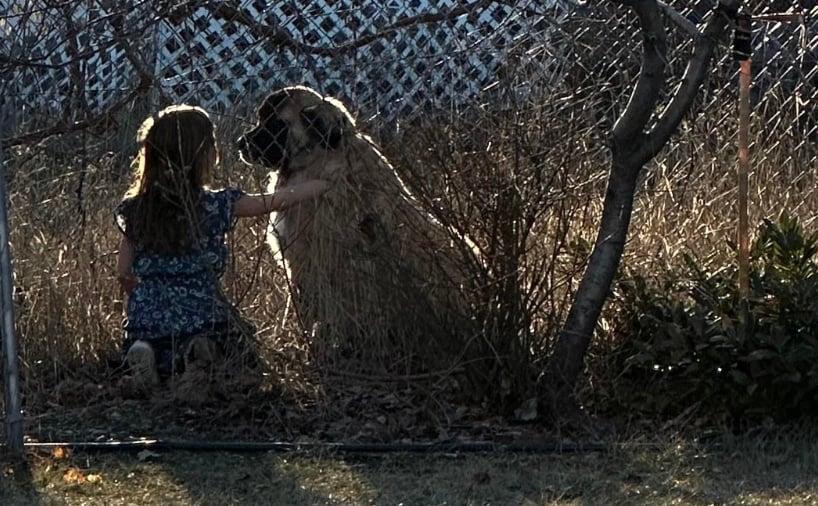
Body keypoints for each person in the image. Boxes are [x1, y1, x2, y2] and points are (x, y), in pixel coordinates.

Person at [115, 104, 329, 387]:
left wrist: (144, 297)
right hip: (201, 310)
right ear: (205, 156)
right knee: (235, 345)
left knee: (156, 340)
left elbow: (123, 271)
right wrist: (321, 184)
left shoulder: (136, 209)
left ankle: (146, 352)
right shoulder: (215, 205)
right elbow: (271, 202)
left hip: (148, 313)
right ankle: (198, 357)